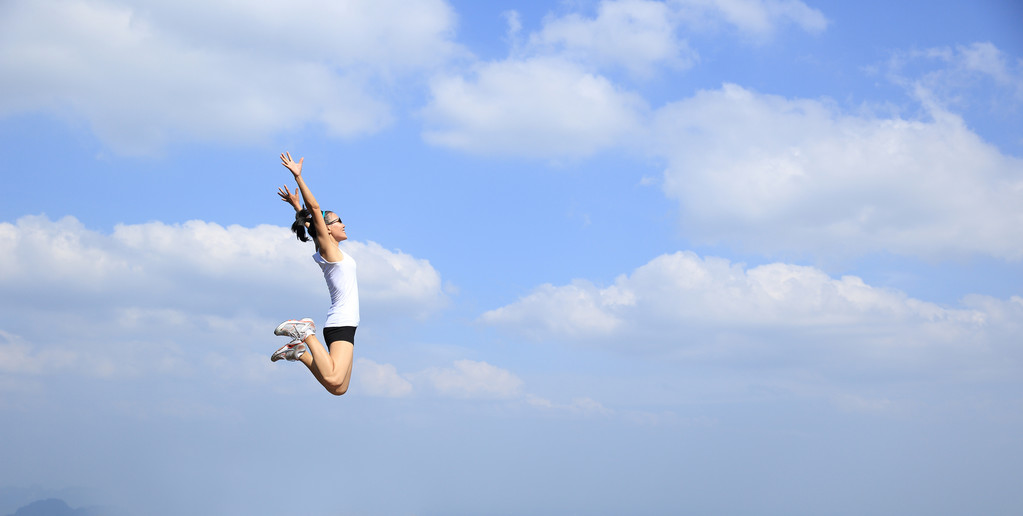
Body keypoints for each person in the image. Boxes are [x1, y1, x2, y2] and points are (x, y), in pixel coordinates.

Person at [271, 151, 359, 396]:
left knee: (338, 388)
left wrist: (297, 207)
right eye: (338, 221)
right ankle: (304, 332)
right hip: (341, 322)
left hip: (347, 323)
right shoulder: (329, 250)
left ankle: (297, 353)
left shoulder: (328, 248)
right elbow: (316, 209)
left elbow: (311, 223)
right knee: (332, 377)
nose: (343, 224)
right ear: (327, 230)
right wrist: (298, 177)